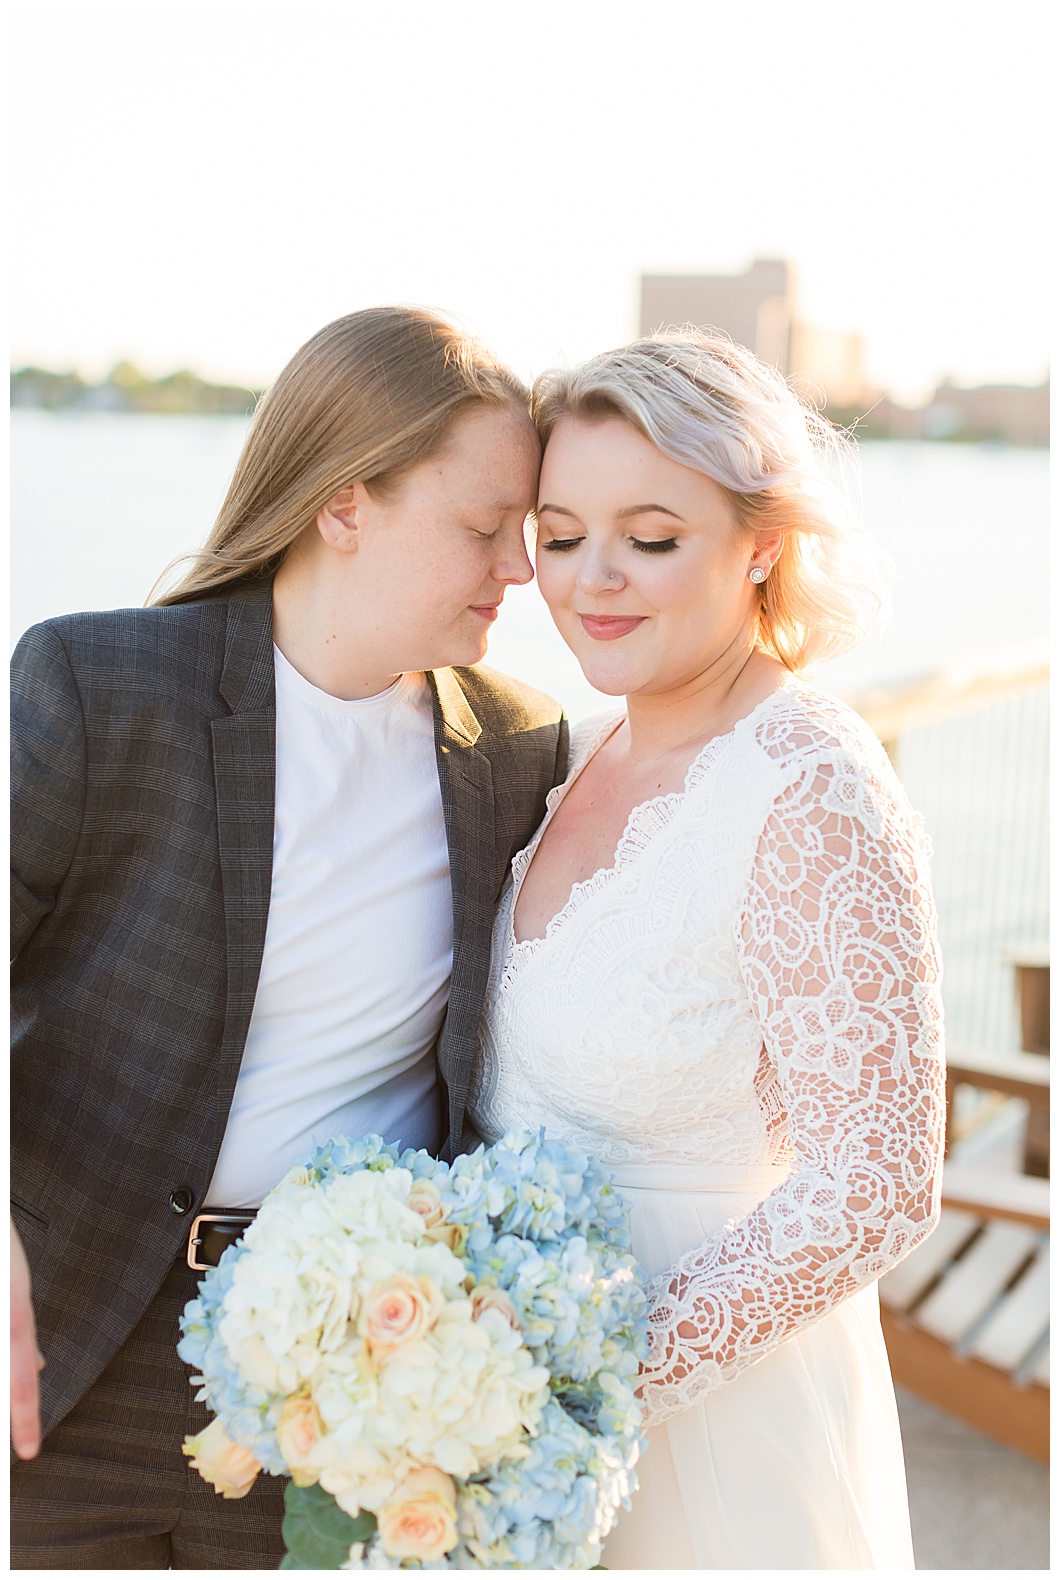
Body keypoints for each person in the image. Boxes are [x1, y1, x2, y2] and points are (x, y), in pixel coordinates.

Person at [10, 305, 567, 1569]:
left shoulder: (521, 747)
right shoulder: (98, 687)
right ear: (343, 502)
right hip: (66, 1338)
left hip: (347, 1381)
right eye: (485, 527)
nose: (521, 569)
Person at [468, 331, 946, 1569]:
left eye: (653, 535)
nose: (593, 580)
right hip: (507, 1421)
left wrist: (588, 1383)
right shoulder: (565, 752)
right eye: (560, 536)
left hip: (706, 1434)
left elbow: (877, 1179)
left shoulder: (811, 789)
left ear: (763, 541)